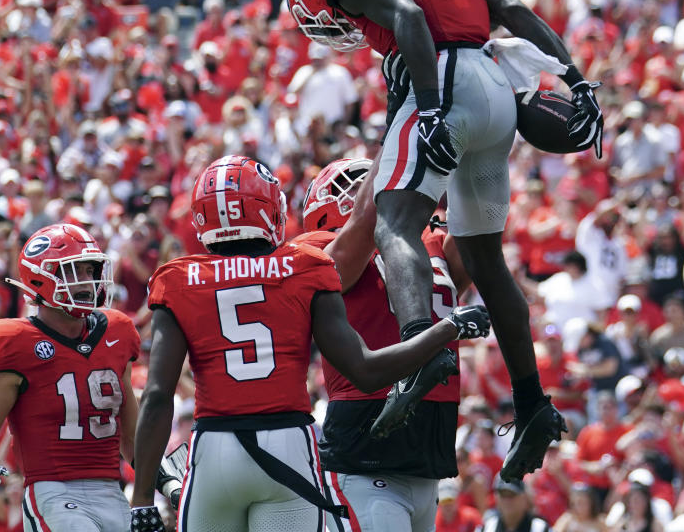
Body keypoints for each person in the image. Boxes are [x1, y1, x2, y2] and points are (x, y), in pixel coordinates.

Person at [285, 0, 603, 479]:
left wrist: (429, 108)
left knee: (394, 224)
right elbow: (510, 8)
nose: (341, 25)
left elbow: (406, 16)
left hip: (446, 81)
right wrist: (576, 82)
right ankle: (531, 402)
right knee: (485, 259)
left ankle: (419, 350)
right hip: (496, 91)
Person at [130, 155, 490, 532]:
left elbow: (157, 397)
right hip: (289, 444)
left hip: (213, 445)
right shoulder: (302, 266)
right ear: (271, 207)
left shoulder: (177, 277)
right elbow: (364, 369)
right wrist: (445, 330)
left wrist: (141, 500)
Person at [296, 157, 476, 532]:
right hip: (367, 437)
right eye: (355, 183)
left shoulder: (428, 240)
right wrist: (396, 144)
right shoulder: (327, 249)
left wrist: (476, 148)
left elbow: (479, 225)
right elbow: (362, 228)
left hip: (428, 443)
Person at [0, 223, 141, 532]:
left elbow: (132, 436)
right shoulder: (13, 341)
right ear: (40, 278)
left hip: (112, 491)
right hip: (53, 492)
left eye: (88, 270)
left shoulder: (117, 332)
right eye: (72, 272)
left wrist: (167, 482)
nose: (85, 281)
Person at [479, 476, 551, 532]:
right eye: (503, 495)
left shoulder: (540, 528)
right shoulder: (488, 527)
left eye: (512, 495)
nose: (507, 500)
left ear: (524, 498)